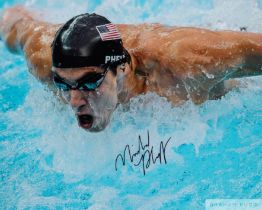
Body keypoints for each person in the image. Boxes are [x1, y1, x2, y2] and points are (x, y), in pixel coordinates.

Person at [0, 6, 261, 132]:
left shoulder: (186, 64)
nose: (74, 101)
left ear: (122, 69)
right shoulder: (43, 58)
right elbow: (15, 23)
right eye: (63, 85)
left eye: (89, 83)